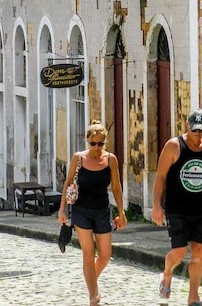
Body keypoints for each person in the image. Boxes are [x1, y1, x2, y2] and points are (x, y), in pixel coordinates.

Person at [152, 109, 202, 306]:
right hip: (177, 208)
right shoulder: (174, 146)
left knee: (199, 252)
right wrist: (156, 206)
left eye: (201, 131)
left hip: (200, 209)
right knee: (178, 251)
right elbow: (160, 176)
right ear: (187, 125)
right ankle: (167, 273)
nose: (198, 135)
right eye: (195, 131)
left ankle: (193, 297)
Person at [58, 121, 127, 306]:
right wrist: (62, 210)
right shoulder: (78, 158)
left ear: (105, 142)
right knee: (88, 254)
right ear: (86, 140)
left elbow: (116, 187)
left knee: (105, 255)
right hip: (81, 210)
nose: (97, 147)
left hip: (102, 211)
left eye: (100, 144)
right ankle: (93, 296)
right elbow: (67, 184)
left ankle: (90, 281)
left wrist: (121, 211)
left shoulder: (110, 159)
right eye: (93, 143)